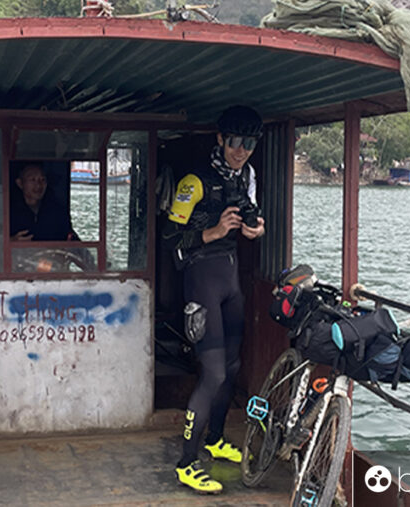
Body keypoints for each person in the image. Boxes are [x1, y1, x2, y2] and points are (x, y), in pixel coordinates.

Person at [162, 105, 266, 494]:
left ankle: (216, 439)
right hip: (201, 281)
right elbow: (169, 241)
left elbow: (255, 216)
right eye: (234, 142)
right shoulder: (194, 182)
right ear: (220, 139)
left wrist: (257, 229)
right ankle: (186, 464)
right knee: (214, 373)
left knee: (234, 366)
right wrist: (213, 230)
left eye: (249, 143)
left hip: (231, 279)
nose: (240, 151)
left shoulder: (248, 176)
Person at [10, 162, 80, 242]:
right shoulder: (8, 211)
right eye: (33, 180)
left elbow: (69, 237)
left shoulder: (58, 211)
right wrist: (12, 240)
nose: (39, 185)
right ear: (20, 183)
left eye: (42, 179)